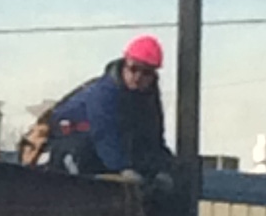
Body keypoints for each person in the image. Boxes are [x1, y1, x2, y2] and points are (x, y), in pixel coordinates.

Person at [36, 35, 174, 182]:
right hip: (73, 151)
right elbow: (105, 134)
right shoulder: (104, 93)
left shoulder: (148, 97)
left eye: (146, 72)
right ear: (125, 64)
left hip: (105, 153)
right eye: (134, 69)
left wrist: (161, 169)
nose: (138, 77)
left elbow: (152, 136)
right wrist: (122, 169)